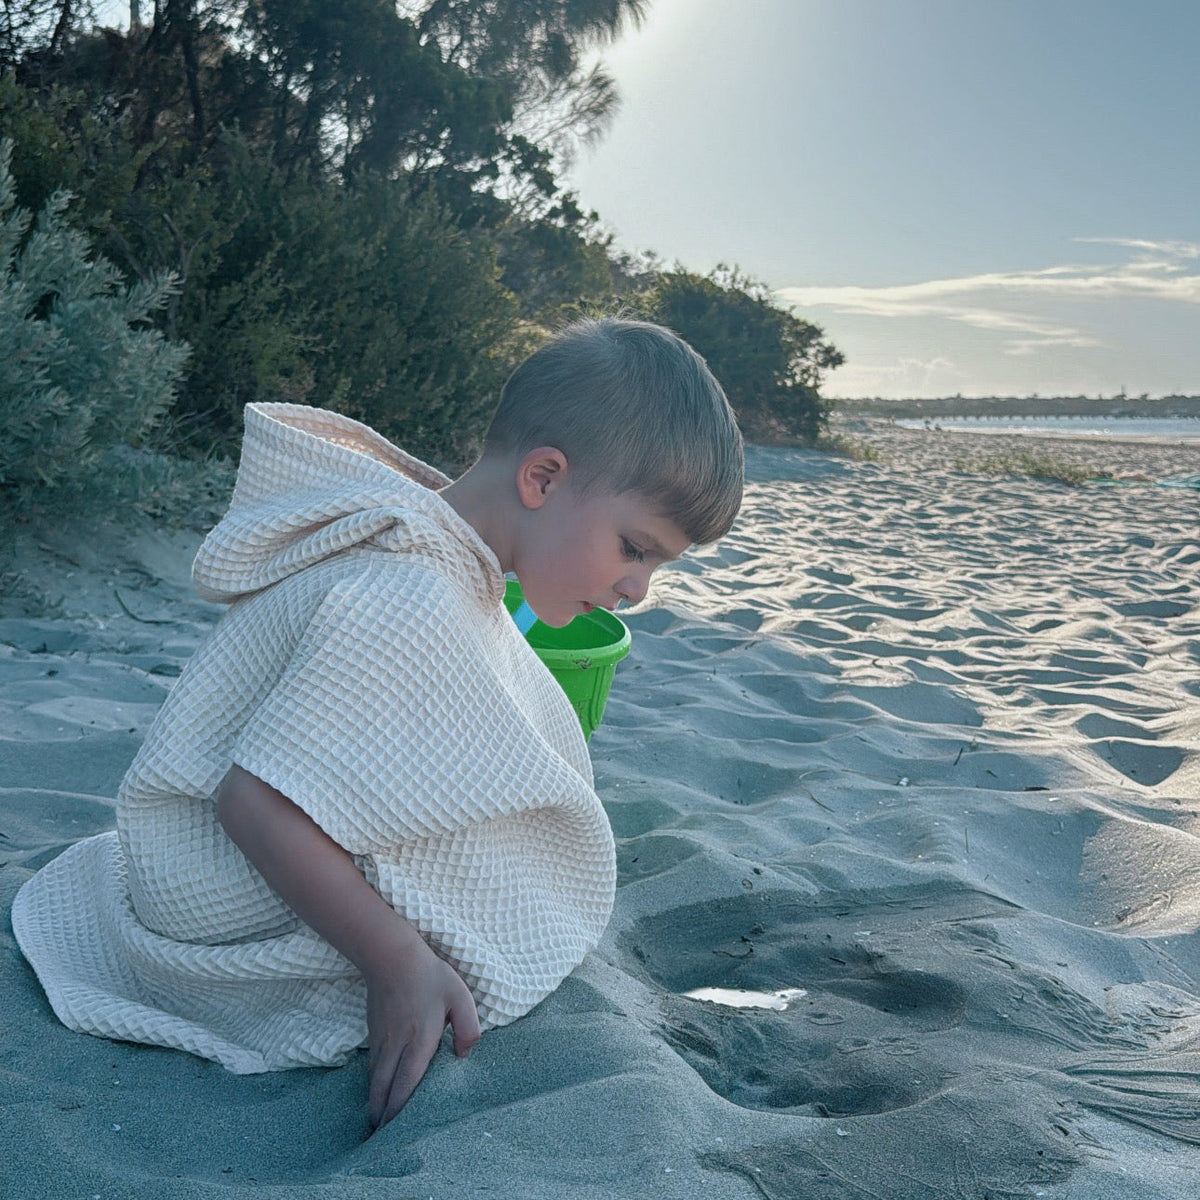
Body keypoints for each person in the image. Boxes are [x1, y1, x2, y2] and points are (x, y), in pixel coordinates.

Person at [13, 317, 744, 1128]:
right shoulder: (410, 591)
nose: (637, 589)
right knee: (475, 933)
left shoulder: (424, 534)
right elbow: (252, 803)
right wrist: (394, 961)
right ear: (542, 478)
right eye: (635, 548)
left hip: (213, 850)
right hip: (218, 893)